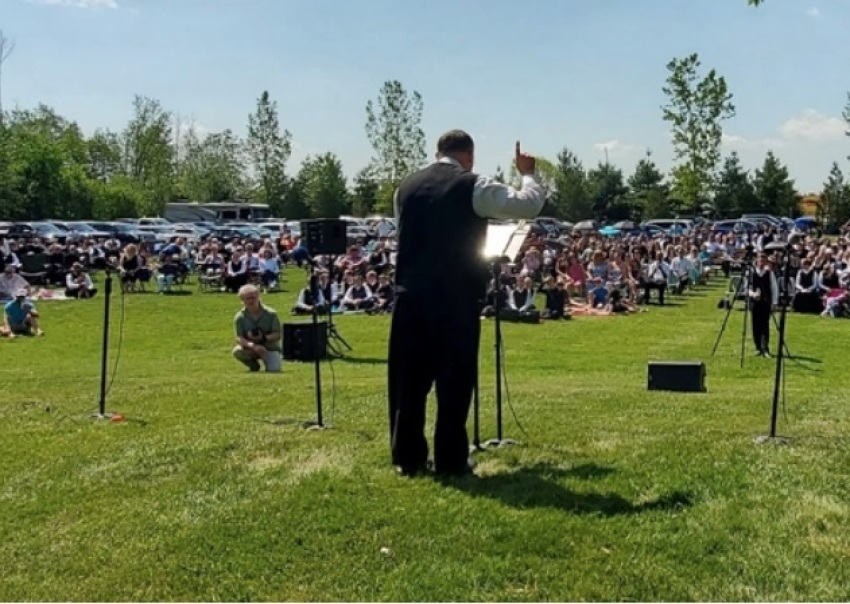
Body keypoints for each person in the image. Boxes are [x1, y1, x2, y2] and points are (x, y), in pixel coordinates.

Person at [388, 131, 544, 477]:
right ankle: (450, 459)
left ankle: (408, 457)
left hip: (409, 296)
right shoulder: (473, 184)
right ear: (469, 156)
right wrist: (528, 173)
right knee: (454, 381)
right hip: (454, 296)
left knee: (409, 381)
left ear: (437, 152)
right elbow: (526, 205)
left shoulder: (406, 188)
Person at [232, 284, 282, 372]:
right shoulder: (239, 317)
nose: (251, 301)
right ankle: (254, 366)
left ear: (259, 296)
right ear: (242, 300)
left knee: (274, 369)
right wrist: (253, 346)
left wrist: (263, 338)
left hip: (269, 348)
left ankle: (270, 361)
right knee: (237, 351)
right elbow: (239, 338)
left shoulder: (271, 314)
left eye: (253, 297)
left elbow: (278, 334)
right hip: (251, 348)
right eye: (248, 298)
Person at [748, 252, 779, 357]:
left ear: (766, 261)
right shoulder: (751, 272)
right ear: (757, 260)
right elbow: (746, 288)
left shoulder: (769, 273)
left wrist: (774, 302)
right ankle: (757, 347)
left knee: (764, 326)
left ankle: (765, 348)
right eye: (759, 259)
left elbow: (774, 288)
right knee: (755, 325)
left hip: (766, 303)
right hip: (755, 303)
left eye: (763, 259)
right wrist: (752, 294)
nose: (761, 261)